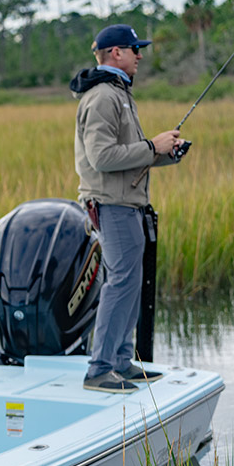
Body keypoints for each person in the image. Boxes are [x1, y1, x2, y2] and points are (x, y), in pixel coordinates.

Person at [71, 23, 183, 394]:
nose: (140, 55)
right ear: (115, 53)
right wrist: (154, 145)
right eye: (135, 49)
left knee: (129, 281)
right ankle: (99, 369)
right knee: (120, 282)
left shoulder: (119, 94)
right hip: (112, 205)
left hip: (127, 204)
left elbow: (129, 158)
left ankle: (120, 361)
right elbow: (102, 157)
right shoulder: (104, 96)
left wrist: (166, 153)